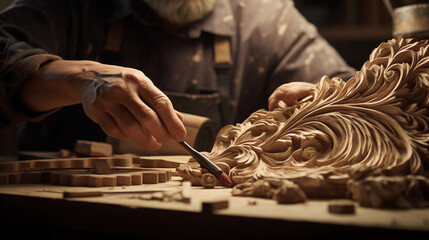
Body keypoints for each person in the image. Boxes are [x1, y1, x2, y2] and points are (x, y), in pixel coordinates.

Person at [0, 0, 355, 153]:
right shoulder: (71, 7)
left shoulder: (266, 18)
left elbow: (358, 88)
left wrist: (329, 99)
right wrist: (76, 77)